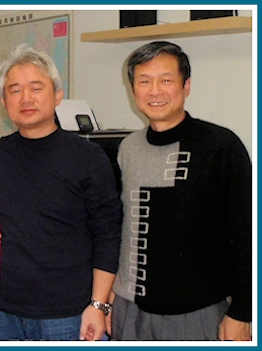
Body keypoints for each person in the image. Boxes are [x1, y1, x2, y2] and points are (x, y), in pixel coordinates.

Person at [109, 41, 252, 341]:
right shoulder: (127, 148)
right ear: (133, 89)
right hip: (129, 310)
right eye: (144, 81)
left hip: (198, 314)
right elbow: (125, 228)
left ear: (186, 86)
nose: (155, 91)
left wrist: (243, 310)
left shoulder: (221, 146)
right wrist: (112, 293)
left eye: (166, 80)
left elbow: (248, 233)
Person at [0, 44, 122, 341]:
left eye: (36, 87)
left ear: (58, 95)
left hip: (68, 312)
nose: (26, 98)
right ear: (4, 100)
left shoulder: (88, 157)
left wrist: (99, 304)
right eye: (15, 90)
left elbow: (108, 234)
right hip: (1, 309)